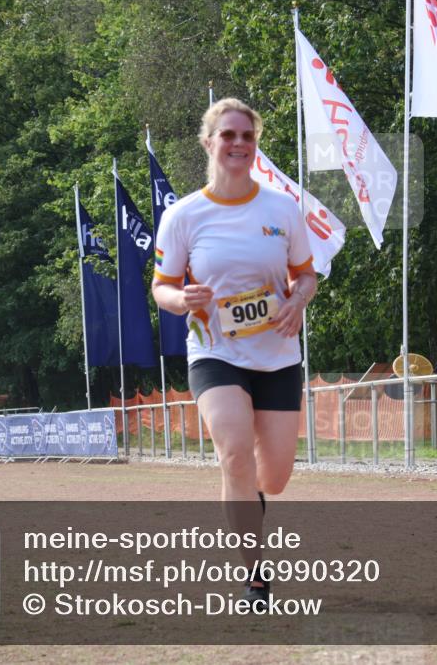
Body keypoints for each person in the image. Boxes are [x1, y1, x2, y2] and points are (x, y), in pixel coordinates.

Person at [151, 98, 317, 611]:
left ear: (255, 144)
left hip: (278, 355)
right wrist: (184, 300)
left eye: (247, 136)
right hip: (214, 351)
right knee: (234, 454)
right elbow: (161, 287)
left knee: (274, 478)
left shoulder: (281, 208)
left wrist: (298, 300)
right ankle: (255, 578)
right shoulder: (183, 215)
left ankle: (249, 494)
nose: (239, 144)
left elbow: (306, 274)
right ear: (209, 142)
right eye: (228, 135)